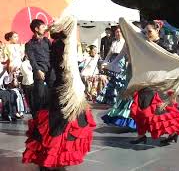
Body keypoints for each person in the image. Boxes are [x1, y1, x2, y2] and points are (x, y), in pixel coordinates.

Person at [22, 16, 96, 171]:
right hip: (60, 85)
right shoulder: (61, 44)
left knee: (57, 121)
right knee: (58, 123)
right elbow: (66, 68)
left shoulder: (54, 43)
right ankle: (53, 158)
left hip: (59, 84)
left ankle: (52, 158)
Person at [25, 19, 54, 118]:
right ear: (36, 29)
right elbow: (32, 59)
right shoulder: (29, 44)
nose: (45, 29)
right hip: (39, 71)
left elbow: (52, 54)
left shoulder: (46, 41)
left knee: (53, 93)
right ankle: (38, 116)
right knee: (40, 95)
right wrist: (37, 70)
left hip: (50, 70)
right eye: (43, 27)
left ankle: (51, 115)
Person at [96, 27, 127, 105]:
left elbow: (124, 55)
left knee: (118, 80)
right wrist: (105, 62)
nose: (118, 33)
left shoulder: (125, 42)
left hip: (121, 61)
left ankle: (116, 99)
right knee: (112, 80)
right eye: (116, 32)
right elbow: (109, 54)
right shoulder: (114, 42)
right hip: (113, 61)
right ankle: (108, 99)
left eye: (119, 32)